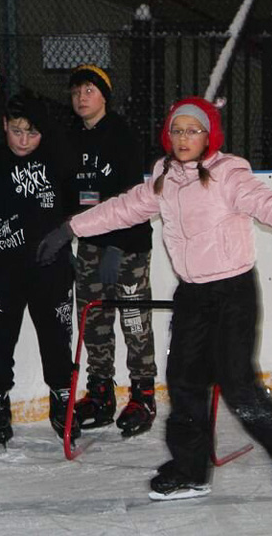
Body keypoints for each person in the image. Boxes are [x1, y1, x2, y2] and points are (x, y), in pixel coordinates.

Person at [37, 96, 272, 500]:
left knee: (237, 384)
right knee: (184, 381)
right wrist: (70, 229)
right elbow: (124, 208)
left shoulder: (228, 175)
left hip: (233, 293)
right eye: (177, 130)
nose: (184, 138)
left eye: (193, 130)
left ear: (208, 135)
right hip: (192, 294)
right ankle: (190, 470)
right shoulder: (165, 177)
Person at [0, 93, 80, 447]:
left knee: (56, 339)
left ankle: (62, 399)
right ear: (4, 126)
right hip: (0, 271)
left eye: (32, 133)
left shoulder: (58, 162)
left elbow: (76, 211)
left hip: (49, 269)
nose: (24, 140)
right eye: (16, 131)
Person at [65, 64, 158, 438]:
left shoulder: (122, 136)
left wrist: (117, 246)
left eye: (89, 90)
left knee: (134, 320)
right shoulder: (70, 138)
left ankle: (143, 394)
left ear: (104, 95)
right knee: (94, 321)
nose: (82, 97)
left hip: (127, 246)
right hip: (89, 244)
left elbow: (131, 197)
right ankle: (101, 392)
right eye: (76, 92)